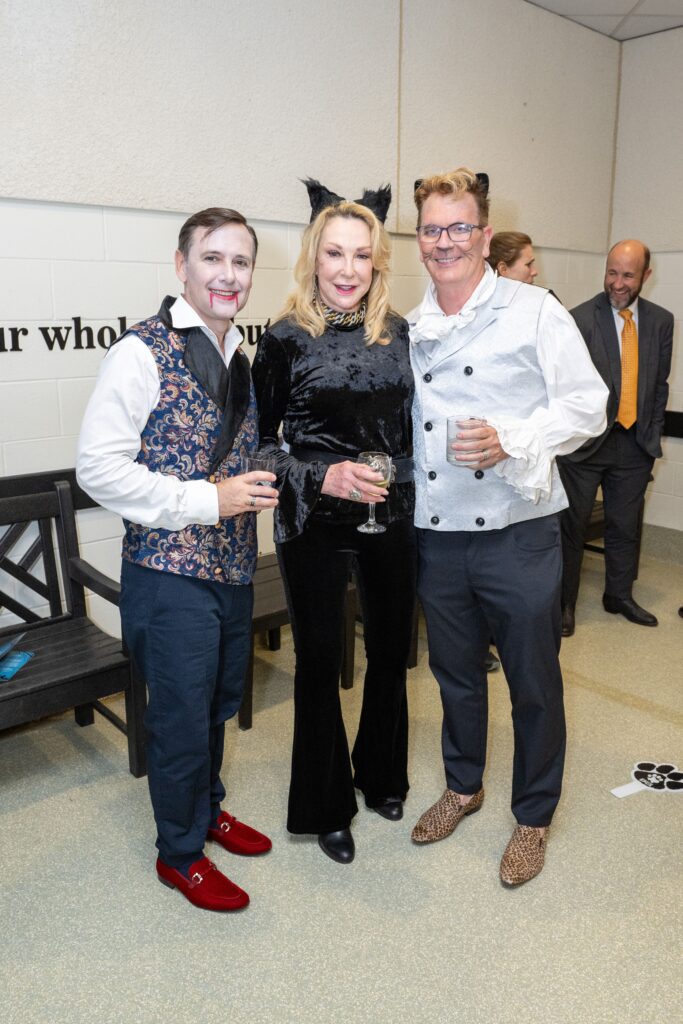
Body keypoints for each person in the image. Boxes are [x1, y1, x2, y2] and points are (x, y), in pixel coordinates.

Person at [407, 168, 608, 886]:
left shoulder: (533, 310)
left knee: (532, 682)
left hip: (518, 533)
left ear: (485, 235)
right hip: (437, 534)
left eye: (460, 227)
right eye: (432, 229)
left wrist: (514, 439)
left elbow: (589, 404)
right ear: (419, 238)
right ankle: (463, 786)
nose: (446, 242)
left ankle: (534, 815)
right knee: (455, 674)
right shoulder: (410, 324)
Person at [77, 207, 279, 912]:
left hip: (232, 570)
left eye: (241, 262)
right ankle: (180, 854)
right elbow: (98, 469)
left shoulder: (238, 355)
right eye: (212, 258)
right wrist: (207, 500)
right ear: (181, 266)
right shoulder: (140, 352)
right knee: (180, 718)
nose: (228, 275)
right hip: (167, 578)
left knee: (217, 703)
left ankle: (207, 808)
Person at [252, 179, 416, 865]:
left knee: (391, 649)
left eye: (361, 255)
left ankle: (380, 773)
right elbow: (259, 448)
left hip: (391, 511)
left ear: (377, 261)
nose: (348, 270)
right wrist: (322, 475)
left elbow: (416, 429)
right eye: (334, 253)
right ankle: (325, 807)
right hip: (312, 518)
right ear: (313, 258)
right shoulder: (285, 339)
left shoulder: (400, 334)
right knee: (319, 661)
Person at [558, 240, 673, 635]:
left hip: (634, 444)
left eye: (627, 275)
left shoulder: (661, 321)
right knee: (571, 527)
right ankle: (564, 605)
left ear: (646, 276)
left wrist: (651, 435)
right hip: (586, 446)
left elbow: (659, 385)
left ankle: (619, 595)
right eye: (612, 273)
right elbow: (565, 386)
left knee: (625, 526)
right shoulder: (578, 319)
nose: (618, 283)